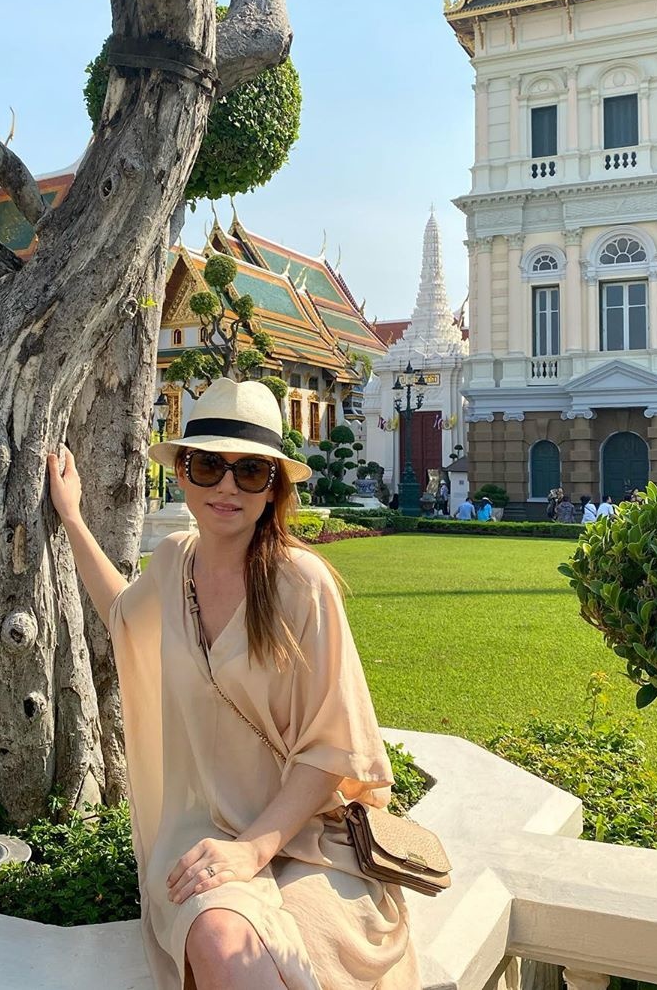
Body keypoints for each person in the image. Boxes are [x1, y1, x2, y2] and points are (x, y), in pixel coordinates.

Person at [47, 378, 417, 990]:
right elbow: (121, 616)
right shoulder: (173, 562)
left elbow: (332, 748)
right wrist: (71, 517)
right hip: (201, 831)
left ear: (273, 488)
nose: (226, 487)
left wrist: (252, 850)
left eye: (249, 471)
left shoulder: (302, 584)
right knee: (223, 943)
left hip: (303, 833)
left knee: (295, 960)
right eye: (208, 466)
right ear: (182, 473)